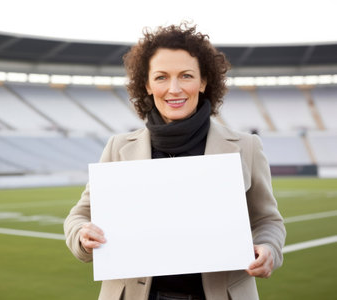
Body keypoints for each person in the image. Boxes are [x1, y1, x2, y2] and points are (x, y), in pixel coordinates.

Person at [64, 22, 286, 300]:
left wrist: (268, 248)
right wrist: (83, 236)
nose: (174, 89)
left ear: (203, 81)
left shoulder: (246, 147)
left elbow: (268, 220)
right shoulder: (118, 148)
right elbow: (80, 215)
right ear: (146, 84)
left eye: (185, 76)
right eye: (161, 77)